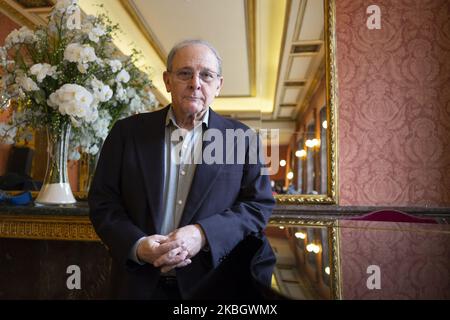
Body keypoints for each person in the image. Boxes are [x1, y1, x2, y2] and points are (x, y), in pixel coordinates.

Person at [88, 39, 276, 299]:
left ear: (218, 85)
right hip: (137, 284)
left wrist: (203, 234)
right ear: (167, 81)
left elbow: (258, 206)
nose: (195, 83)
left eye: (206, 75)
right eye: (185, 73)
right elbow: (103, 202)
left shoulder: (241, 138)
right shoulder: (126, 133)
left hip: (213, 285)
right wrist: (139, 246)